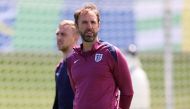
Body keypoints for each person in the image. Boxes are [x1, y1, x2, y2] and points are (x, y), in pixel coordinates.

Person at [66, 3, 134, 109]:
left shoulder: (112, 53)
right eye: (84, 22)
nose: (89, 26)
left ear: (99, 25)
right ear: (77, 26)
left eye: (93, 22)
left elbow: (128, 92)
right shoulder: (71, 59)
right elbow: (77, 91)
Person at [52, 20, 79, 109]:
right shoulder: (59, 67)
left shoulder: (81, 65)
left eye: (63, 34)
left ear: (75, 37)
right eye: (57, 34)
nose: (59, 37)